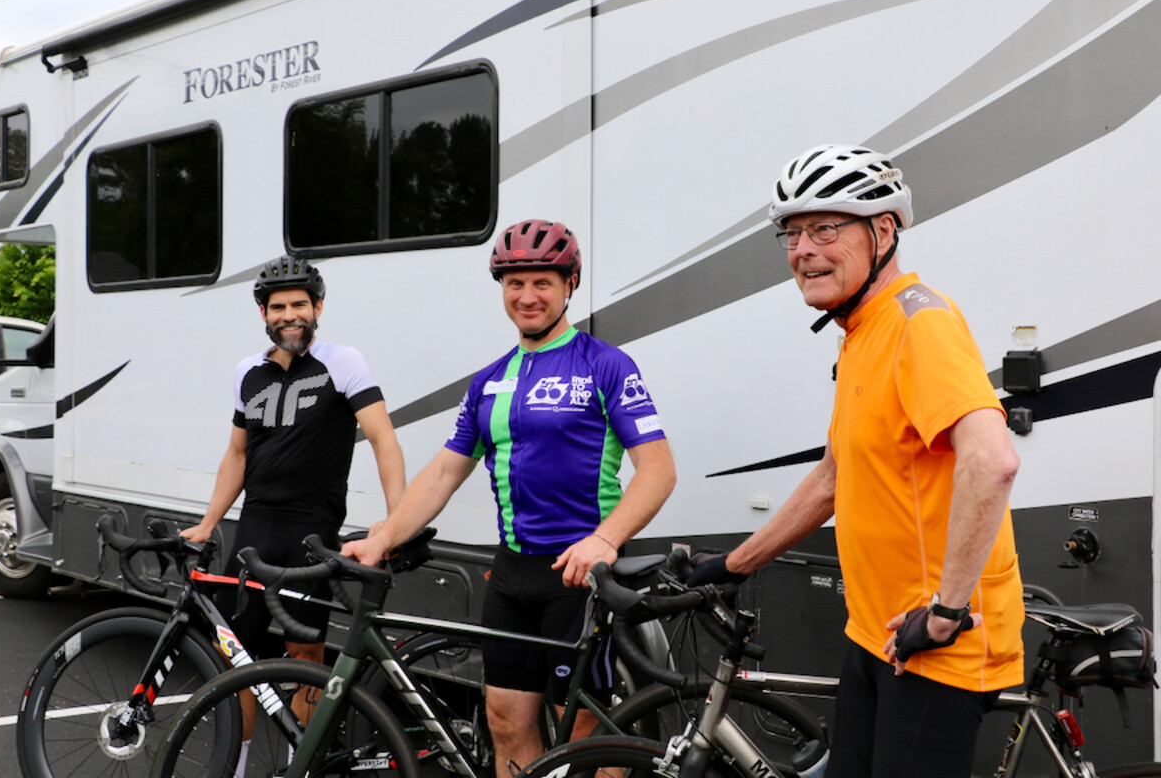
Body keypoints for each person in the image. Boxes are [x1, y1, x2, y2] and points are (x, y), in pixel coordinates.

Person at [689, 145, 1024, 777]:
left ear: (883, 231)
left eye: (824, 229)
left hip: (934, 648)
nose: (802, 250)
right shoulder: (861, 331)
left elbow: (992, 461)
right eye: (792, 234)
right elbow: (834, 477)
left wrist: (946, 613)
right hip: (875, 634)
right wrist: (733, 565)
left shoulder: (918, 322)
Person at [344, 219, 676, 778]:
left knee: (582, 732)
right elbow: (444, 473)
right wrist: (383, 537)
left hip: (578, 574)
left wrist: (605, 540)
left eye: (543, 282)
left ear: (570, 285)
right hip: (512, 573)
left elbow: (658, 469)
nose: (527, 296)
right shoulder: (489, 381)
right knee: (504, 720)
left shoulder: (604, 364)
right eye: (514, 283)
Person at [181, 254, 406, 669]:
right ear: (263, 313)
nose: (289, 316)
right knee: (232, 651)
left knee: (305, 654)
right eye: (278, 307)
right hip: (254, 526)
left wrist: (397, 523)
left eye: (299, 305)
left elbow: (383, 441)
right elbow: (237, 454)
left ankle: (304, 718)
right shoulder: (248, 371)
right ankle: (246, 719)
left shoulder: (343, 362)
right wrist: (209, 523)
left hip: (312, 532)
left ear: (317, 307)